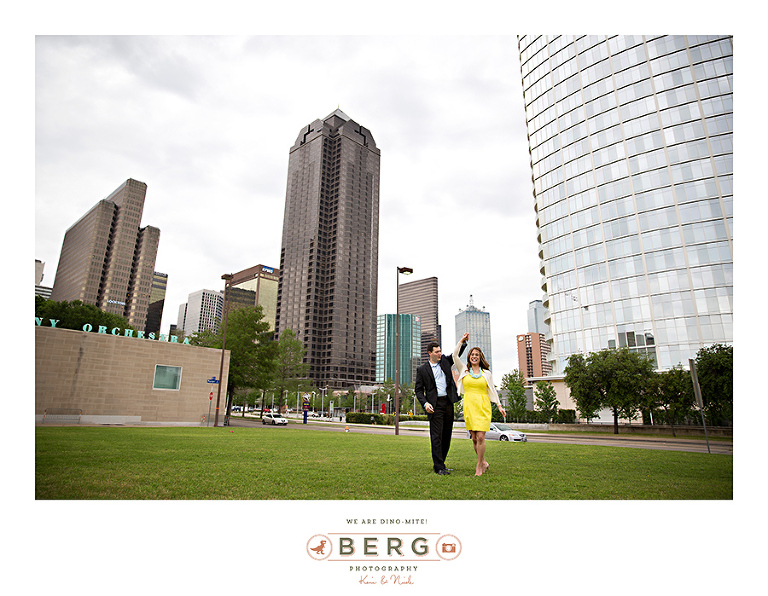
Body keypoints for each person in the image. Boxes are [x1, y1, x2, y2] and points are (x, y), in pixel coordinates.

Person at [415, 333, 468, 475]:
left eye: (440, 351)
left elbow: (456, 354)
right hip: (434, 405)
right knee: (436, 436)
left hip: (448, 403)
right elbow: (418, 390)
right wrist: (425, 403)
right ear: (430, 353)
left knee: (446, 435)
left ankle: (441, 464)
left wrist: (462, 342)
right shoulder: (422, 370)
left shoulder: (445, 361)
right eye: (437, 352)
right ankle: (438, 467)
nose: (440, 353)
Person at [454, 342, 506, 476]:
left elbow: (493, 390)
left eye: (477, 354)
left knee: (481, 437)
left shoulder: (486, 373)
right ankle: (483, 462)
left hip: (483, 406)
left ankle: (479, 466)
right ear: (469, 357)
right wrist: (462, 341)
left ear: (480, 357)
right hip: (469, 406)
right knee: (474, 438)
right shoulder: (464, 370)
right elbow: (454, 356)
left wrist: (499, 406)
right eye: (472, 354)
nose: (474, 356)